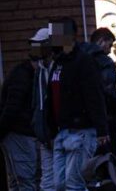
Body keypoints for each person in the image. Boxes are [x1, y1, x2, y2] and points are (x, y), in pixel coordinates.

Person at [48, 18, 110, 191]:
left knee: (74, 184)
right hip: (62, 130)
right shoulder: (58, 63)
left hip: (81, 129)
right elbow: (50, 97)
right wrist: (51, 129)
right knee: (59, 185)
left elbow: (95, 95)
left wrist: (101, 128)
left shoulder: (84, 61)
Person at [85, 28, 116, 159]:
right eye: (110, 45)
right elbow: (108, 93)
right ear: (101, 41)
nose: (110, 50)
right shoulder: (105, 62)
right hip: (106, 120)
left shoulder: (80, 59)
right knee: (111, 161)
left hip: (84, 123)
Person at [0, 33, 38, 191]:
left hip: (15, 133)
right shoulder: (23, 76)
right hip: (19, 133)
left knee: (17, 181)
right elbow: (12, 108)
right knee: (25, 180)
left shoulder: (21, 73)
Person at [30, 28, 57, 191]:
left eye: (39, 44)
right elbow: (37, 102)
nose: (36, 48)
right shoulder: (40, 70)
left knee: (65, 179)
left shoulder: (58, 68)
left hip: (59, 133)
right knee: (48, 182)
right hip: (45, 135)